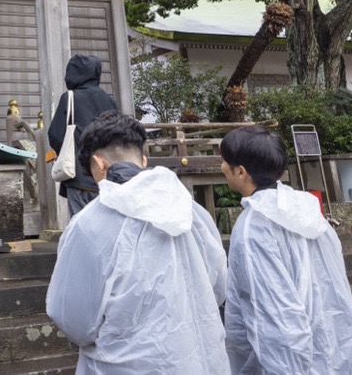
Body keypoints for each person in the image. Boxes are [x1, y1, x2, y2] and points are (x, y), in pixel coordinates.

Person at [46, 111, 229, 374]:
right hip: (198, 359)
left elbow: (73, 318)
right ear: (143, 160)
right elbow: (218, 286)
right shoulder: (194, 212)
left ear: (99, 165)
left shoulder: (89, 224)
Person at [220, 126, 352, 374]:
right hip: (332, 345)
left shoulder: (254, 225)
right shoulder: (306, 209)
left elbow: (274, 316)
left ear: (241, 172)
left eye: (225, 161)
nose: (222, 166)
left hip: (290, 362)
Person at [47, 54, 119, 216]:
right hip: (107, 176)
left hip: (78, 175)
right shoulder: (110, 101)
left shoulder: (70, 98)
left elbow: (55, 135)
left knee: (81, 225)